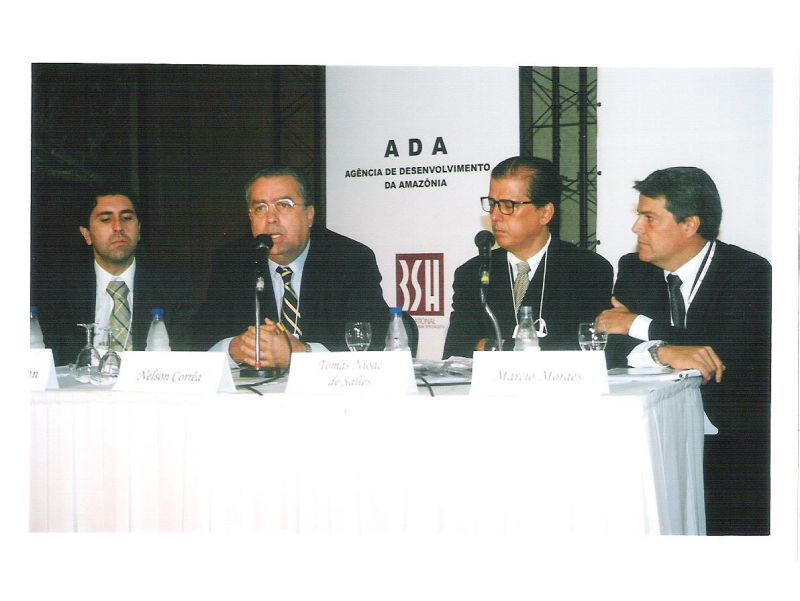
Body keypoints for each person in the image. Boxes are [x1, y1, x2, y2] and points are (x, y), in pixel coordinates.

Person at [595, 166, 771, 535]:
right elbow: (608, 348)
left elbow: (723, 353)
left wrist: (639, 325)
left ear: (690, 224)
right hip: (654, 442)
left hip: (732, 451)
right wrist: (663, 352)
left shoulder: (749, 272)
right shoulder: (633, 269)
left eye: (649, 218)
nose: (636, 228)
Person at [196, 166, 390, 368]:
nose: (271, 218)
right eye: (260, 208)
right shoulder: (232, 262)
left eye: (284, 205)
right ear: (250, 217)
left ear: (309, 215)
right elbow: (200, 338)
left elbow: (371, 340)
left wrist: (301, 354)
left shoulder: (349, 259)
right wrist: (235, 348)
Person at [442, 156, 613, 358]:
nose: (495, 215)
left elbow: (583, 347)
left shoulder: (587, 269)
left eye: (508, 205)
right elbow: (456, 351)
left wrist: (491, 346)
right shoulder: (474, 273)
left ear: (545, 213)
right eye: (493, 203)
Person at [35, 188, 195, 365]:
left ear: (139, 230)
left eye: (127, 218)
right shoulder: (57, 290)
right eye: (106, 219)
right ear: (87, 234)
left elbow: (182, 361)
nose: (118, 227)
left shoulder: (174, 288)